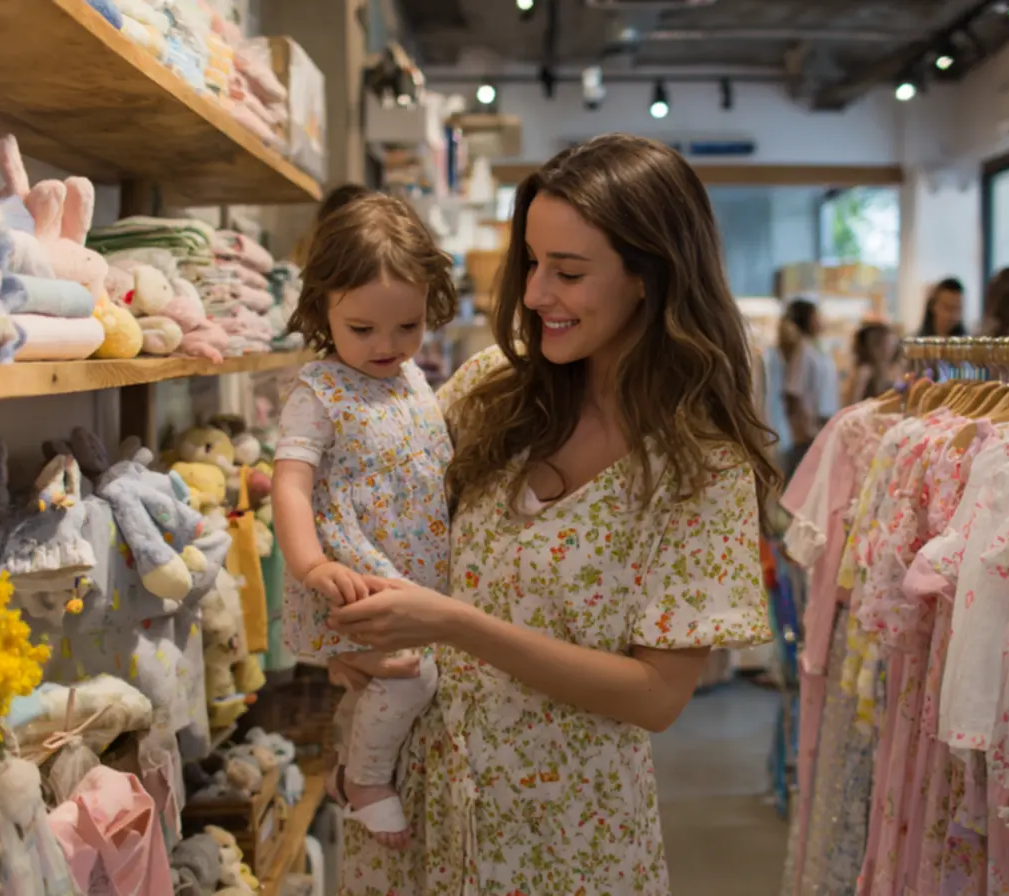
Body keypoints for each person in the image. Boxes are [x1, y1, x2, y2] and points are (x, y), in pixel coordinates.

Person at [321, 133, 777, 894]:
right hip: (415, 812)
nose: (534, 294)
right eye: (531, 263)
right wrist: (348, 619)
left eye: (567, 272)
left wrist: (452, 623)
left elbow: (658, 696)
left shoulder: (700, 466)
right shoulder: (489, 388)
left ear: (649, 278)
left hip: (567, 836)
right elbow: (388, 509)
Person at [271, 190, 458, 849]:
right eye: (363, 329)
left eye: (407, 327)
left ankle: (356, 754)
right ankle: (363, 779)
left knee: (395, 674)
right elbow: (290, 486)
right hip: (352, 572)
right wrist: (312, 564)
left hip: (411, 566)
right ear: (322, 307)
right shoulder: (318, 391)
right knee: (413, 673)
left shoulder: (410, 378)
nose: (387, 346)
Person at [780, 298, 839, 472]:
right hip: (809, 433)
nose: (821, 320)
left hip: (821, 427)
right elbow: (793, 393)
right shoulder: (802, 351)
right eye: (816, 316)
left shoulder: (817, 348)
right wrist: (805, 430)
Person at [844, 321, 898, 406]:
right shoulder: (865, 371)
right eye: (888, 342)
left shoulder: (887, 369)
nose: (892, 347)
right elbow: (852, 404)